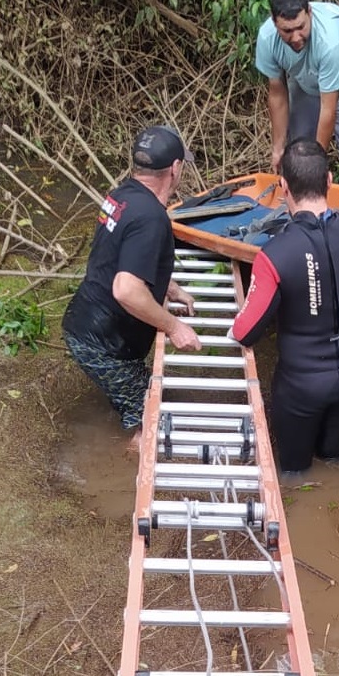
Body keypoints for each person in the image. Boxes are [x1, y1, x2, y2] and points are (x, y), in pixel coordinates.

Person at [229, 139, 339, 476]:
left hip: (302, 386)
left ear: (283, 185)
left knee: (294, 473)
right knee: (336, 461)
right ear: (330, 180)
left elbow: (246, 332)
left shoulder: (275, 255)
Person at [62, 125, 201, 448]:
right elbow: (126, 289)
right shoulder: (151, 217)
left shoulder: (122, 196)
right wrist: (174, 327)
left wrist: (169, 287)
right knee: (152, 418)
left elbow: (121, 257)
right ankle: (125, 472)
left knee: (148, 400)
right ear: (175, 169)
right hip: (105, 344)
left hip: (86, 324)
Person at [255, 0, 339, 178]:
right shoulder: (267, 38)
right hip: (306, 79)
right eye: (287, 31)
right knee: (298, 151)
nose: (296, 37)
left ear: (309, 13)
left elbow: (328, 109)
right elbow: (277, 94)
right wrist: (277, 148)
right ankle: (300, 192)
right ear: (274, 22)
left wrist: (317, 162)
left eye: (301, 27)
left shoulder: (330, 41)